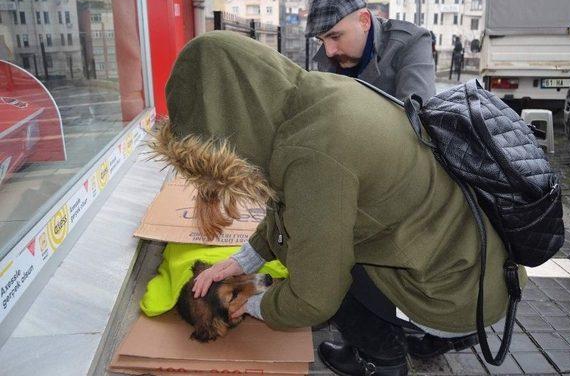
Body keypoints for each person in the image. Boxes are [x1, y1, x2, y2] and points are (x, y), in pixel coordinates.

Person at [151, 32, 526, 376]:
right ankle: (437, 334)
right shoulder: (316, 101)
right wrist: (241, 261)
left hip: (456, 296)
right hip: (477, 268)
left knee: (322, 272)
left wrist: (251, 305)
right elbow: (293, 208)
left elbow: (314, 300)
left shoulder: (311, 156)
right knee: (321, 247)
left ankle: (381, 360)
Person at [306, 0, 436, 103]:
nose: (329, 51)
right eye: (321, 40)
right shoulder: (328, 58)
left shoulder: (411, 42)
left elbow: (417, 118)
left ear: (364, 21)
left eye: (335, 36)